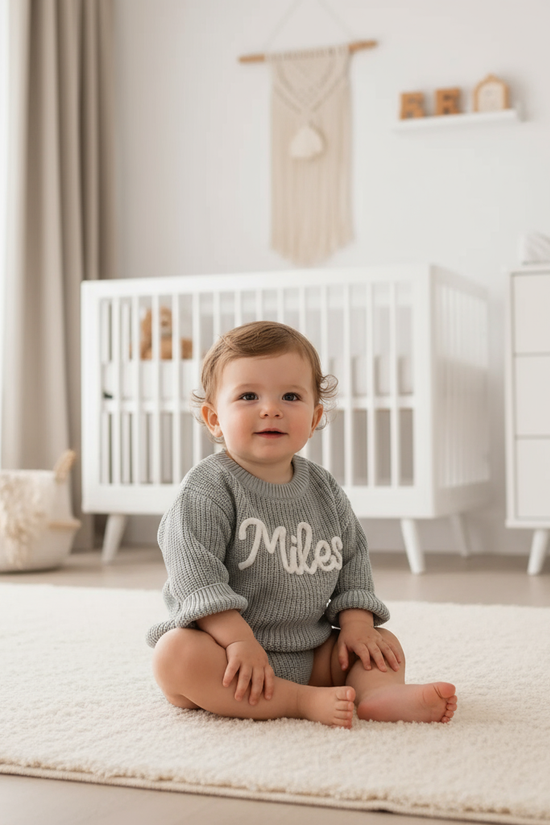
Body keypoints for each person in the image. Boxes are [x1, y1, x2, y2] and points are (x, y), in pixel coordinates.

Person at [148, 321, 457, 729]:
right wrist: (239, 640)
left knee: (382, 646)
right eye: (248, 396)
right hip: (227, 656)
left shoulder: (323, 488)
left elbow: (352, 559)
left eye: (290, 396)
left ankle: (378, 694)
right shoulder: (207, 488)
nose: (270, 408)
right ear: (213, 418)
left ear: (314, 418)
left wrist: (357, 624)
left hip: (310, 652)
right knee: (174, 655)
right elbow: (195, 575)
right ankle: (298, 701)